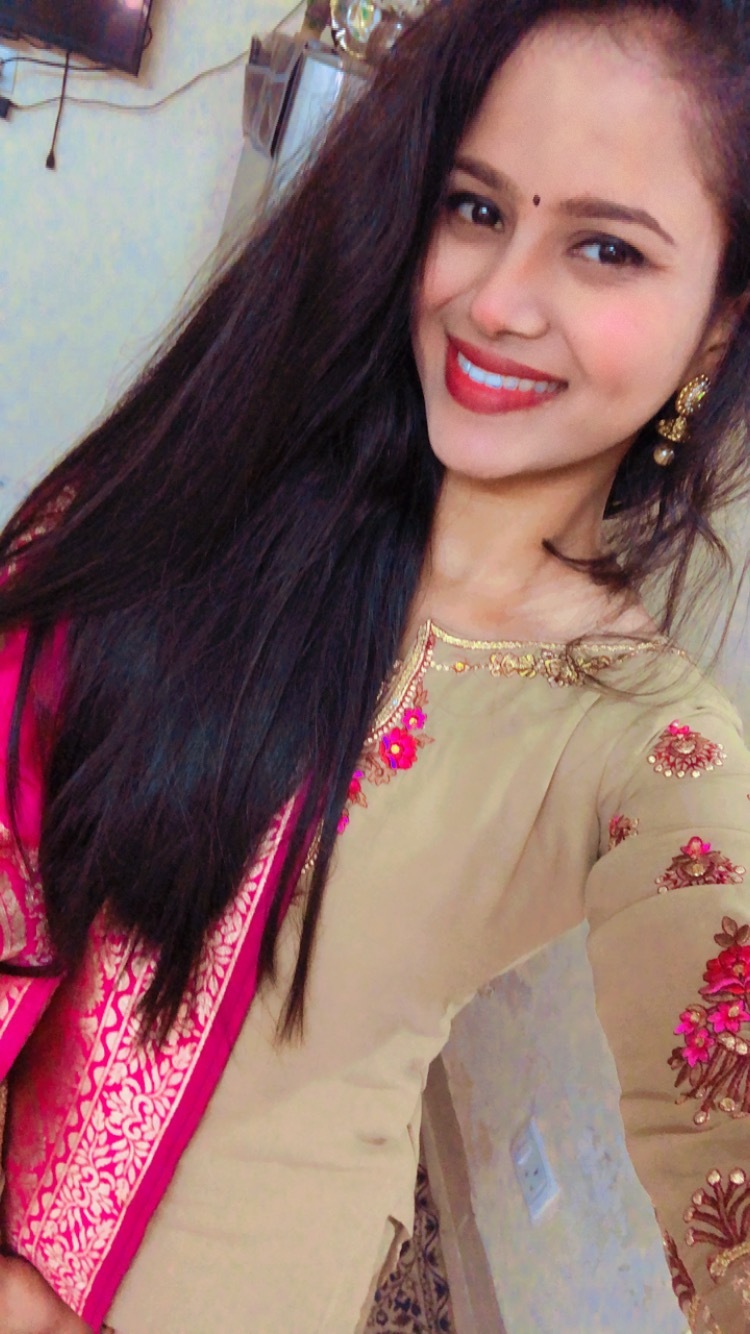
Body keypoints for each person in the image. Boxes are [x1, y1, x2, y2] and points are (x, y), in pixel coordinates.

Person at [0, 0, 749, 1329]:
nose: (496, 300)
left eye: (605, 247)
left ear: (713, 331)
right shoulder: (222, 476)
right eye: (475, 208)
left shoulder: (645, 743)